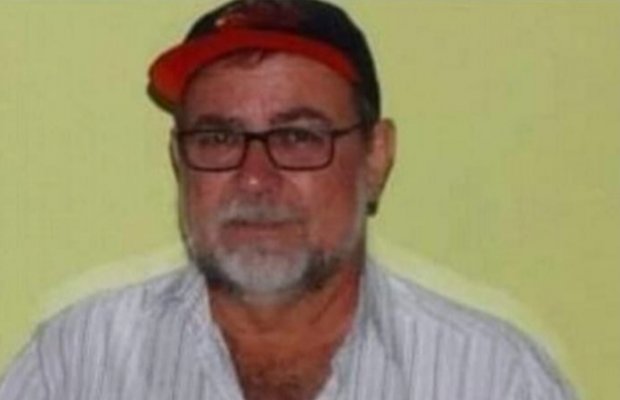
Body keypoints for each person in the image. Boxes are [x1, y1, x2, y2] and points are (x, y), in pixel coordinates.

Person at [0, 0, 576, 399]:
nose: (254, 178)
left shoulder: (491, 378)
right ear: (179, 160)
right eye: (218, 138)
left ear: (375, 157)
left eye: (298, 137)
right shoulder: (79, 365)